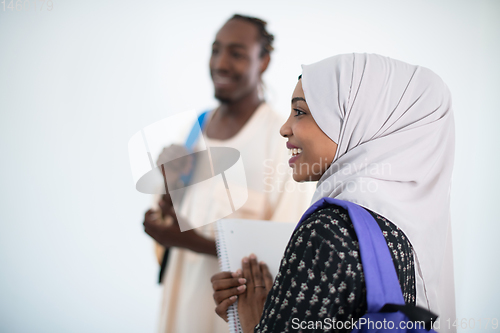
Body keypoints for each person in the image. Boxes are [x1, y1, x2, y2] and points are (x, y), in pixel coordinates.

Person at [212, 53, 456, 332]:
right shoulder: (405, 233)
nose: (284, 128)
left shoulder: (328, 228)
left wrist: (251, 317)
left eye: (300, 111)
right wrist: (281, 304)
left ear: (358, 119)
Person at [143, 14, 314, 333]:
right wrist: (168, 189)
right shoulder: (194, 130)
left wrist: (194, 242)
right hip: (179, 312)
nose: (221, 63)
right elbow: (169, 223)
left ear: (262, 60)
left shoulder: (279, 141)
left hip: (231, 322)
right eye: (216, 50)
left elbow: (284, 255)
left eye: (236, 53)